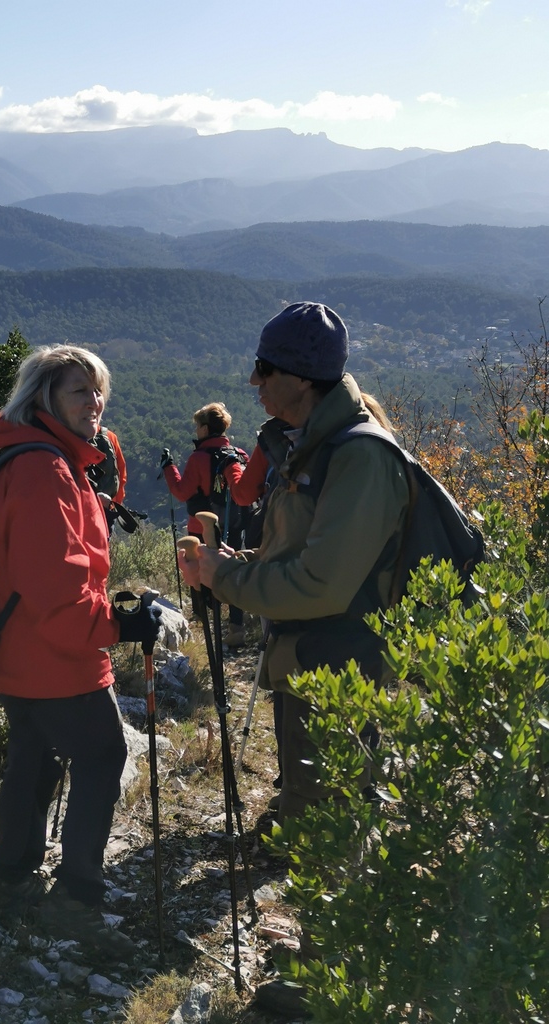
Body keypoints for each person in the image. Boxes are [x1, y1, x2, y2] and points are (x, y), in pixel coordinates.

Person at [178, 303, 409, 819]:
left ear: (302, 379)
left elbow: (321, 584)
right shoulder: (306, 445)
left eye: (266, 368)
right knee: (302, 795)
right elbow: (300, 550)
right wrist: (238, 560)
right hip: (305, 652)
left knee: (325, 823)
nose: (254, 379)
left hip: (340, 656)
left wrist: (225, 576)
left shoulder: (359, 456)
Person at [0, 343, 161, 955]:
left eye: (98, 389)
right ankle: (76, 901)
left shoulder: (25, 458)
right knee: (101, 758)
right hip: (57, 657)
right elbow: (58, 588)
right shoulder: (45, 469)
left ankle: (13, 883)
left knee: (33, 758)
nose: (95, 401)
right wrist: (118, 626)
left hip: (16, 652)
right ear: (45, 398)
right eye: (80, 391)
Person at [161, 401, 249, 646]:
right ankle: (236, 627)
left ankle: (203, 631)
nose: (196, 430)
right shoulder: (239, 454)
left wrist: (169, 468)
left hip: (201, 528)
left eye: (198, 425)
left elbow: (181, 491)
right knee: (232, 571)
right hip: (233, 524)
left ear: (206, 428)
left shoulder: (199, 458)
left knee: (198, 575)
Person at [87, 424, 128, 532]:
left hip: (80, 506)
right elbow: (121, 474)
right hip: (106, 507)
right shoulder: (109, 436)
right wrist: (114, 504)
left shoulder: (68, 435)